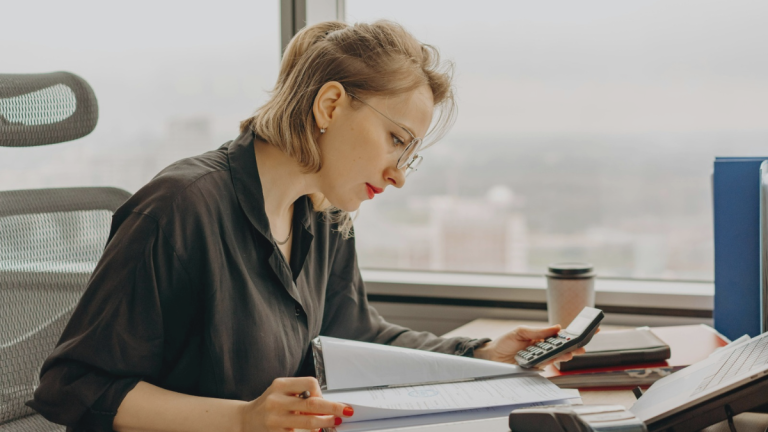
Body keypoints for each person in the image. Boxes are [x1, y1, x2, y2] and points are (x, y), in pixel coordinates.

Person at [28, 20, 585, 432]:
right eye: (396, 141)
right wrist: (243, 420)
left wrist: (481, 354)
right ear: (330, 105)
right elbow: (72, 389)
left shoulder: (324, 216)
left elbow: (356, 334)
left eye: (409, 155)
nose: (398, 176)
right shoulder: (181, 208)